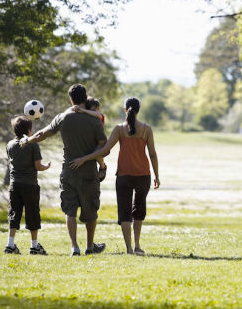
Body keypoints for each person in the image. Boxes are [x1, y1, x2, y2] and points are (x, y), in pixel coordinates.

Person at [21, 84, 107, 256]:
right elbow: (103, 147)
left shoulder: (62, 117)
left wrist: (27, 140)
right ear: (85, 98)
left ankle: (74, 247)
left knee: (70, 210)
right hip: (89, 172)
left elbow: (43, 134)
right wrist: (94, 162)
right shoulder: (94, 120)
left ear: (71, 99)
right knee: (91, 211)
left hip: (68, 171)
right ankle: (89, 247)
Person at [70, 97, 160, 255]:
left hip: (124, 176)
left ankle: (129, 249)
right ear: (138, 110)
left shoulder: (119, 129)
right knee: (139, 210)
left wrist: (85, 158)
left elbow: (105, 150)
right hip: (143, 175)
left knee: (125, 213)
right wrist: (157, 176)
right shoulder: (147, 129)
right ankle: (137, 246)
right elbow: (152, 154)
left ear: (125, 110)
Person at [5, 116, 51, 255]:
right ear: (29, 131)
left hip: (14, 185)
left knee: (14, 213)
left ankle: (10, 244)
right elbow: (38, 166)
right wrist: (46, 167)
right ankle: (34, 246)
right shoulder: (33, 145)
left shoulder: (10, 145)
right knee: (32, 214)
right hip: (30, 185)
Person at [71, 97, 107, 175]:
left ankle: (102, 167)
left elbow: (98, 115)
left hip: (99, 141)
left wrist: (83, 110)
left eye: (94, 109)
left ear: (98, 108)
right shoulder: (87, 115)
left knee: (97, 155)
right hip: (90, 140)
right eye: (91, 110)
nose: (93, 111)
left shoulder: (99, 115)